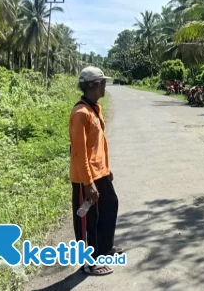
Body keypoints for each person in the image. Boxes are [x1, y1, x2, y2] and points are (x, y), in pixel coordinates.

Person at [69, 67, 122, 276]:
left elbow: (99, 144)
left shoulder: (95, 109)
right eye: (102, 82)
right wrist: (88, 183)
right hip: (86, 177)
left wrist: (106, 169)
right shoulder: (80, 113)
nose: (105, 86)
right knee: (87, 221)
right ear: (94, 85)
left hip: (100, 173)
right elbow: (80, 153)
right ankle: (88, 262)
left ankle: (104, 248)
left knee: (110, 206)